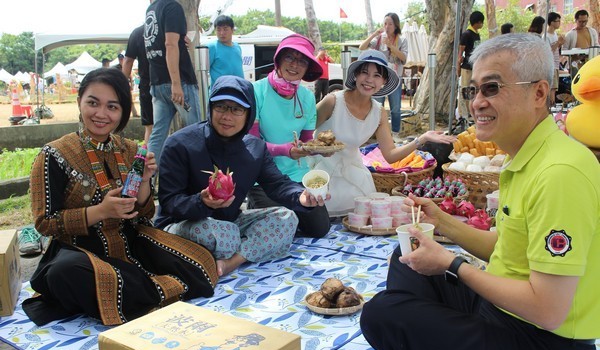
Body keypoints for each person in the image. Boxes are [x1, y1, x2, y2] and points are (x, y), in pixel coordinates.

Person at [353, 33, 599, 350]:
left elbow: (548, 311)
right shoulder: (526, 158)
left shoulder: (559, 173)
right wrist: (441, 222)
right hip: (504, 314)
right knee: (408, 257)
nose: (478, 103)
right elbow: (505, 247)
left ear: (538, 93)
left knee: (381, 314)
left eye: (492, 88)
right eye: (473, 91)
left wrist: (452, 265)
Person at [21, 68, 218, 327]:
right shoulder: (53, 154)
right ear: (80, 101)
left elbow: (144, 214)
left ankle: (136, 291)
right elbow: (45, 223)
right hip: (78, 252)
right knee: (63, 274)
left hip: (130, 242)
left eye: (112, 107)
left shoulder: (131, 150)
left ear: (123, 111)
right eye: (93, 103)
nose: (101, 114)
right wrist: (101, 211)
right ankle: (157, 289)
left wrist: (146, 179)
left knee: (199, 262)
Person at [156, 75, 327, 277]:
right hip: (185, 226)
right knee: (216, 233)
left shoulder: (255, 147)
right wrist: (202, 203)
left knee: (287, 218)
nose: (227, 116)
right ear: (210, 108)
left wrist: (300, 196)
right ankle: (246, 247)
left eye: (237, 109)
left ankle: (231, 261)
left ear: (249, 114)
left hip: (230, 223)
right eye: (220, 106)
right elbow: (168, 202)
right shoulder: (180, 144)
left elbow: (277, 184)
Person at [313, 50, 456, 217]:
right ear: (356, 75)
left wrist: (421, 139)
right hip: (320, 179)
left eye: (376, 75)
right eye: (364, 73)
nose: (369, 80)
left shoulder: (378, 112)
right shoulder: (333, 101)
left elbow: (390, 155)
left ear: (384, 81)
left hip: (355, 182)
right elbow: (303, 131)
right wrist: (314, 148)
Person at [247, 34, 331, 239]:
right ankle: (257, 205)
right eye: (289, 58)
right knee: (280, 228)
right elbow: (252, 145)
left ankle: (277, 215)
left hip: (297, 178)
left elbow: (307, 139)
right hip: (263, 179)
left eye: (302, 61)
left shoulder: (306, 97)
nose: (295, 65)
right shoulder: (256, 91)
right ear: (278, 60)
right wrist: (285, 150)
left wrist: (319, 148)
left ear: (307, 68)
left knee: (319, 228)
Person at [144, 0, 201, 167]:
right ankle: (198, 177)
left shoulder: (151, 9)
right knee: (197, 132)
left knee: (158, 135)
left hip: (158, 82)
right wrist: (176, 83)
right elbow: (170, 44)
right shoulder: (172, 7)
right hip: (178, 82)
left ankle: (146, 181)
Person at [359, 12, 408, 139]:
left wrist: (391, 46)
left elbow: (404, 59)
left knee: (396, 108)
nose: (387, 26)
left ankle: (395, 134)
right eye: (385, 23)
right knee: (376, 107)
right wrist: (374, 35)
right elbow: (362, 47)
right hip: (379, 79)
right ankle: (375, 133)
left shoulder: (402, 40)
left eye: (390, 24)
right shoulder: (379, 39)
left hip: (395, 78)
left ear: (396, 26)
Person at [123, 24, 154, 143]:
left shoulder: (138, 32)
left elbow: (128, 60)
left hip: (148, 85)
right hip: (168, 84)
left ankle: (149, 160)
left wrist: (122, 86)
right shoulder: (170, 26)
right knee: (152, 128)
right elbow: (128, 60)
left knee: (151, 128)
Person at [457, 11, 485, 121]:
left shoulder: (476, 34)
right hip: (467, 67)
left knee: (473, 90)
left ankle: (470, 112)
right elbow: (460, 52)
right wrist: (458, 65)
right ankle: (462, 114)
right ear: (477, 22)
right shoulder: (467, 34)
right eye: (481, 22)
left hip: (475, 67)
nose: (482, 24)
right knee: (465, 90)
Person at [207, 15, 244, 86]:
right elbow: (202, 71)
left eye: (225, 29)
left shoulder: (237, 47)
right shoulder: (212, 47)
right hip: (220, 93)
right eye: (218, 29)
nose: (222, 33)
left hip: (239, 92)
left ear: (232, 30)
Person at [546, 12, 566, 104]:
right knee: (552, 89)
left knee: (554, 88)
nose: (559, 23)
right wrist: (558, 43)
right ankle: (550, 106)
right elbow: (548, 52)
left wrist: (560, 43)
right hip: (551, 66)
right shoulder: (546, 36)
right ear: (552, 22)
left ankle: (552, 105)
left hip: (556, 65)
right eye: (557, 21)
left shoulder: (554, 34)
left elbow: (555, 49)